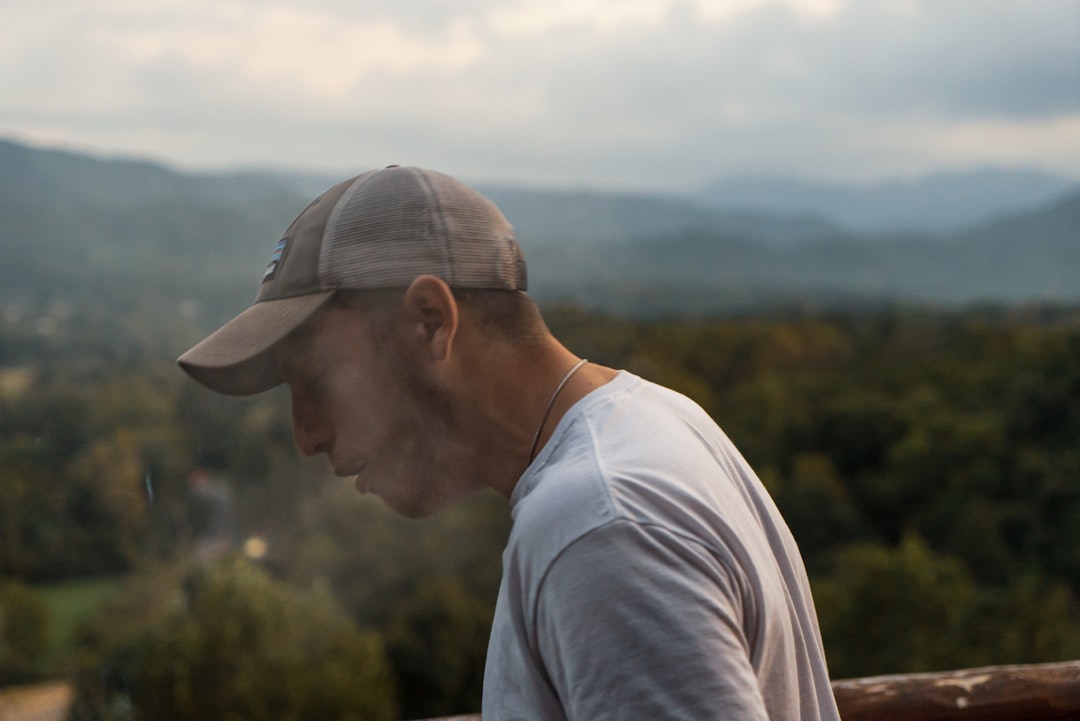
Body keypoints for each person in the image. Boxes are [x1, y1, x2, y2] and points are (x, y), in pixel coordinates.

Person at [178, 165, 841, 720]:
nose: (306, 434)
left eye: (317, 377)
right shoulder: (659, 421)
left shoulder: (599, 526)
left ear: (431, 321)